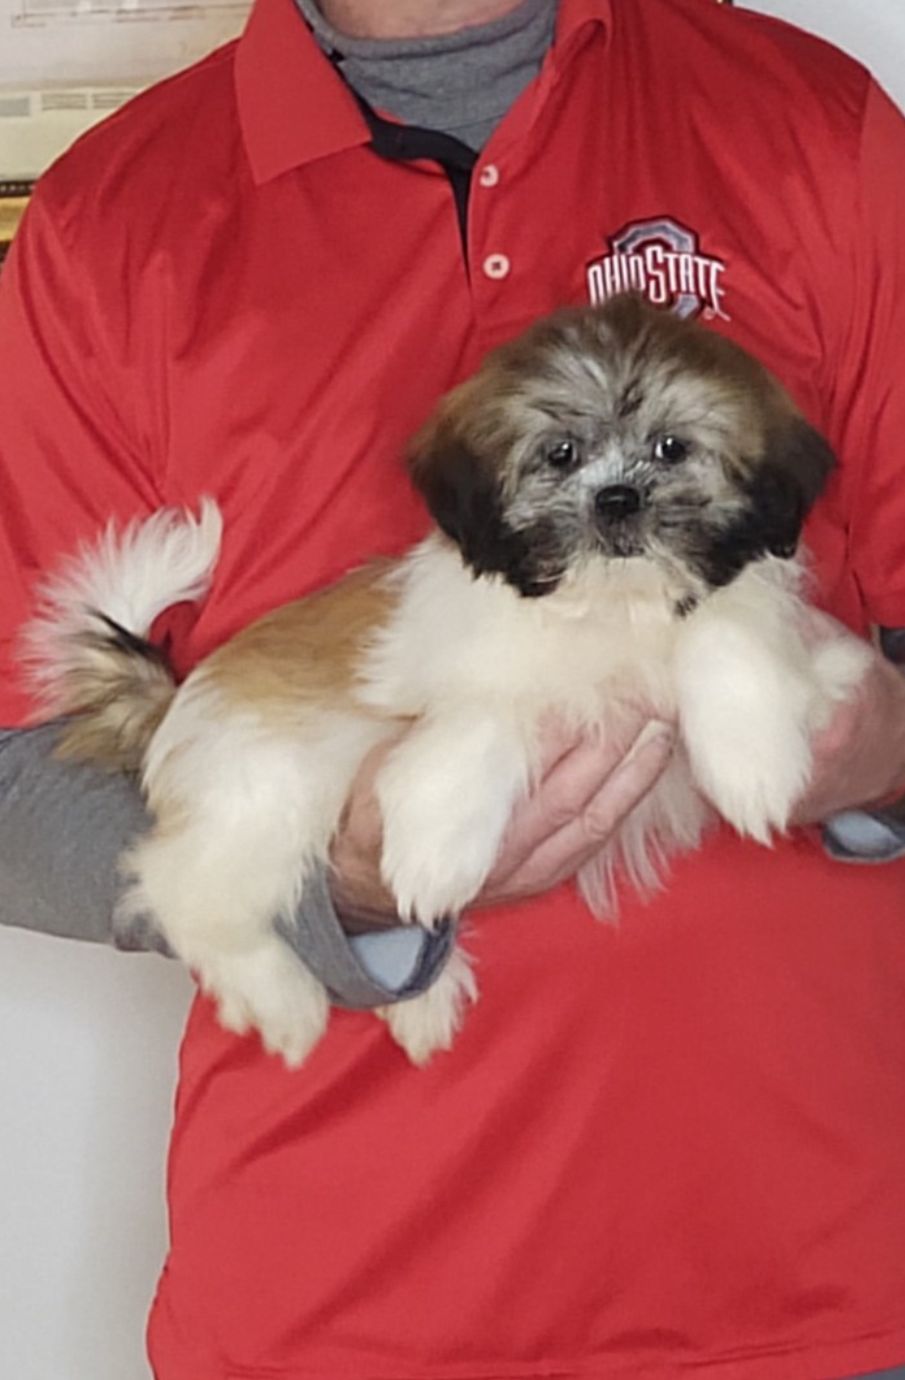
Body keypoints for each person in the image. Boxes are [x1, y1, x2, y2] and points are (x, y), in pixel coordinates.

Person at [2, 0, 905, 1375]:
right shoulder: (106, 218)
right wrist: (330, 884)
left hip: (818, 1284)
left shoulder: (808, 120)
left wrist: (880, 753)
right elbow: (14, 775)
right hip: (338, 1300)